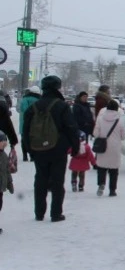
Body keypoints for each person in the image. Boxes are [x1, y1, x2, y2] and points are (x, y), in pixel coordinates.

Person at [22, 75, 80, 222]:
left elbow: (26, 130)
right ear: (57, 87)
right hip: (58, 149)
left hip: (38, 149)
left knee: (40, 179)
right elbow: (71, 127)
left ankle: (39, 213)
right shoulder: (61, 106)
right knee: (57, 181)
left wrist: (30, 150)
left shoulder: (33, 107)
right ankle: (56, 214)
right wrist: (75, 147)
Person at [93, 100, 125, 197]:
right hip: (115, 147)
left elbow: (95, 133)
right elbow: (123, 136)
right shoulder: (120, 121)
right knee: (114, 170)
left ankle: (101, 184)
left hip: (103, 146)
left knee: (101, 167)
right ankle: (112, 190)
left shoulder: (100, 119)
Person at [17, 86, 41, 161]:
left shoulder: (24, 99)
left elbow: (21, 109)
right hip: (35, 124)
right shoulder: (39, 100)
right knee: (33, 139)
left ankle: (25, 156)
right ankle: (32, 155)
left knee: (24, 139)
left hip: (24, 122)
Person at [0, 130, 14, 234]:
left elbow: (7, 171)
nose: (5, 143)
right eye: (2, 141)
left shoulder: (4, 155)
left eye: (5, 141)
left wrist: (10, 184)